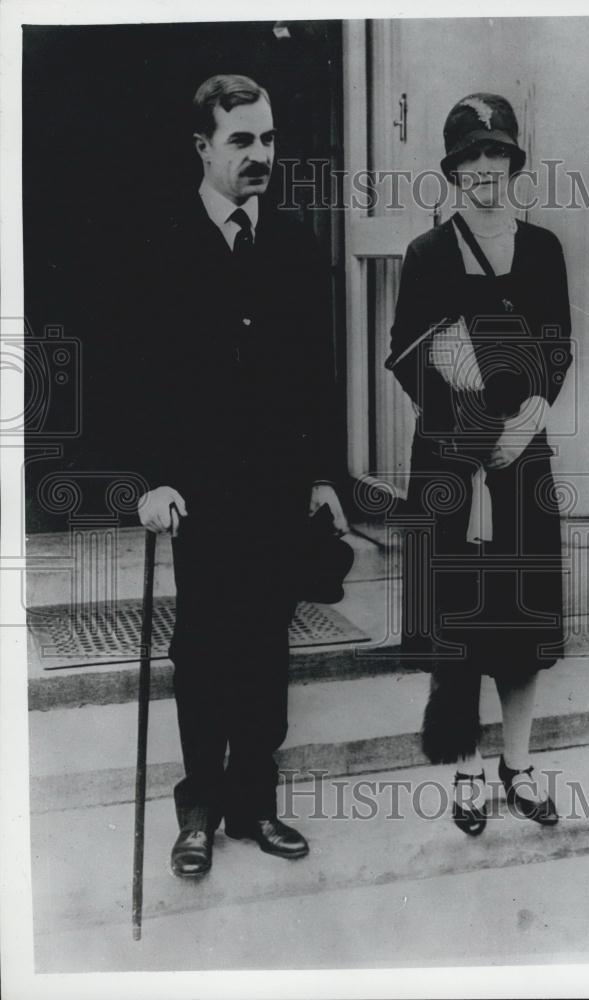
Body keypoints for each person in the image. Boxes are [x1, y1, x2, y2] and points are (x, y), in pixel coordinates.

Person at [133, 74, 347, 875]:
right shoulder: (161, 241)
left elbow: (318, 376)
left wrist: (325, 477)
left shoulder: (292, 243)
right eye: (241, 141)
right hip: (198, 493)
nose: (261, 156)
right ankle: (200, 812)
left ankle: (255, 806)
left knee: (264, 647)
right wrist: (151, 480)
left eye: (267, 139)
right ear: (203, 145)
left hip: (279, 489)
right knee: (204, 649)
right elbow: (139, 376)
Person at [386, 93, 573, 835]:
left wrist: (530, 418)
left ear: (513, 164)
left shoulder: (545, 249)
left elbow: (556, 349)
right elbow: (404, 356)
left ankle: (519, 765)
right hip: (450, 466)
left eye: (498, 155)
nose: (486, 169)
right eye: (472, 158)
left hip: (522, 460)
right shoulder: (428, 255)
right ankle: (466, 774)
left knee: (521, 630)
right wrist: (473, 428)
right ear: (454, 170)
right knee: (458, 625)